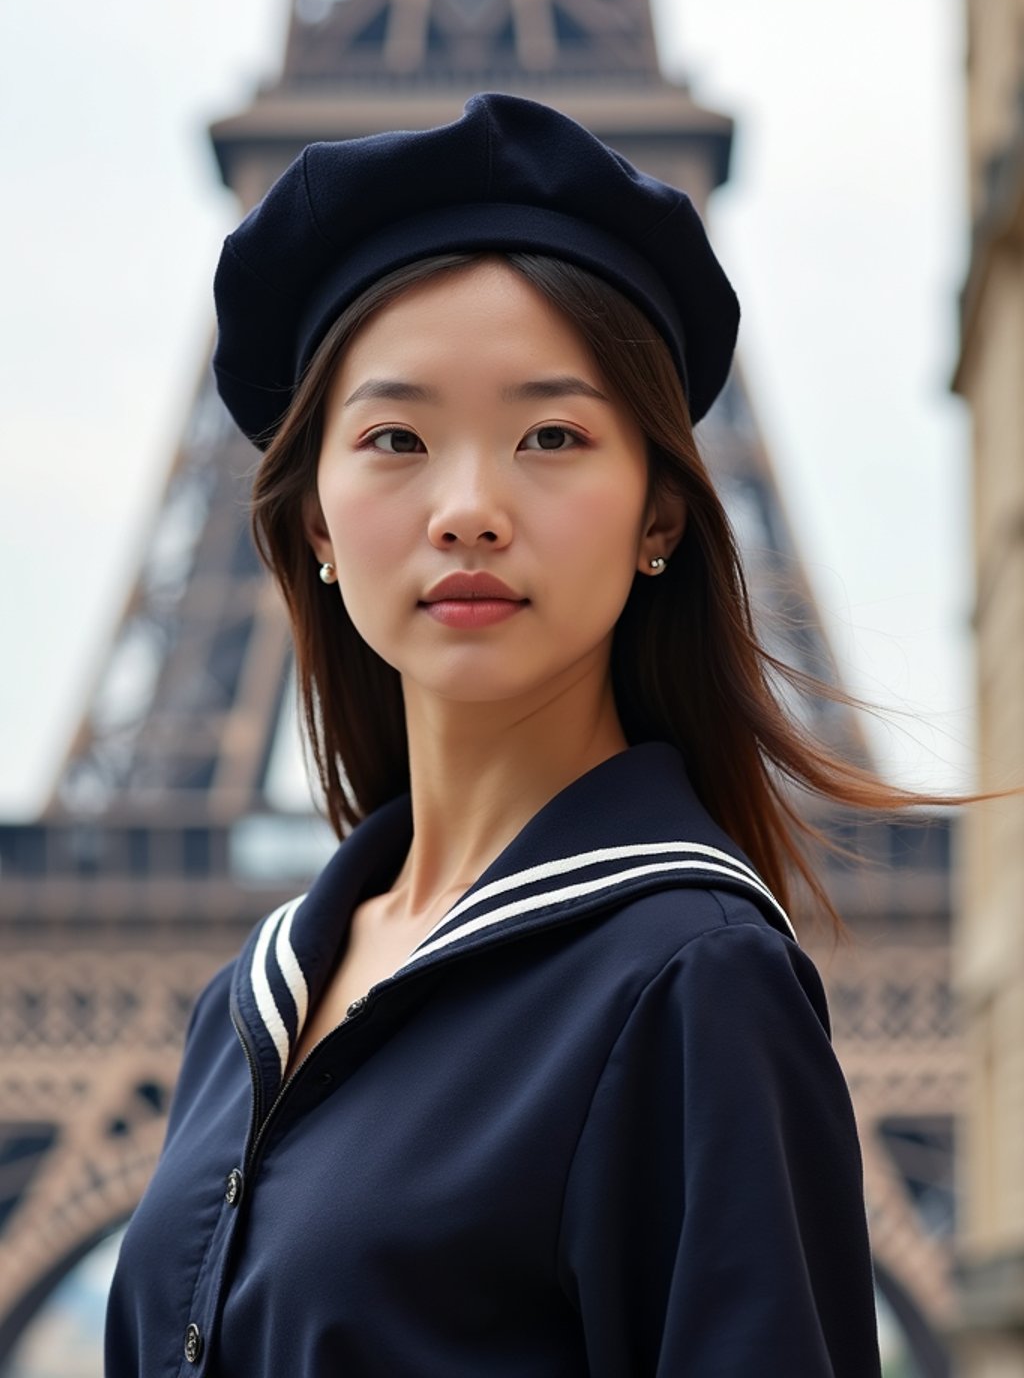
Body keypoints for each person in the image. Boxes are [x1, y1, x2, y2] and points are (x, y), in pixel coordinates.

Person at [107, 90, 937, 1376]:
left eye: (550, 435)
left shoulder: (691, 982)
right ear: (316, 523)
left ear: (659, 513)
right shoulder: (244, 1007)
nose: (469, 508)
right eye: (395, 437)